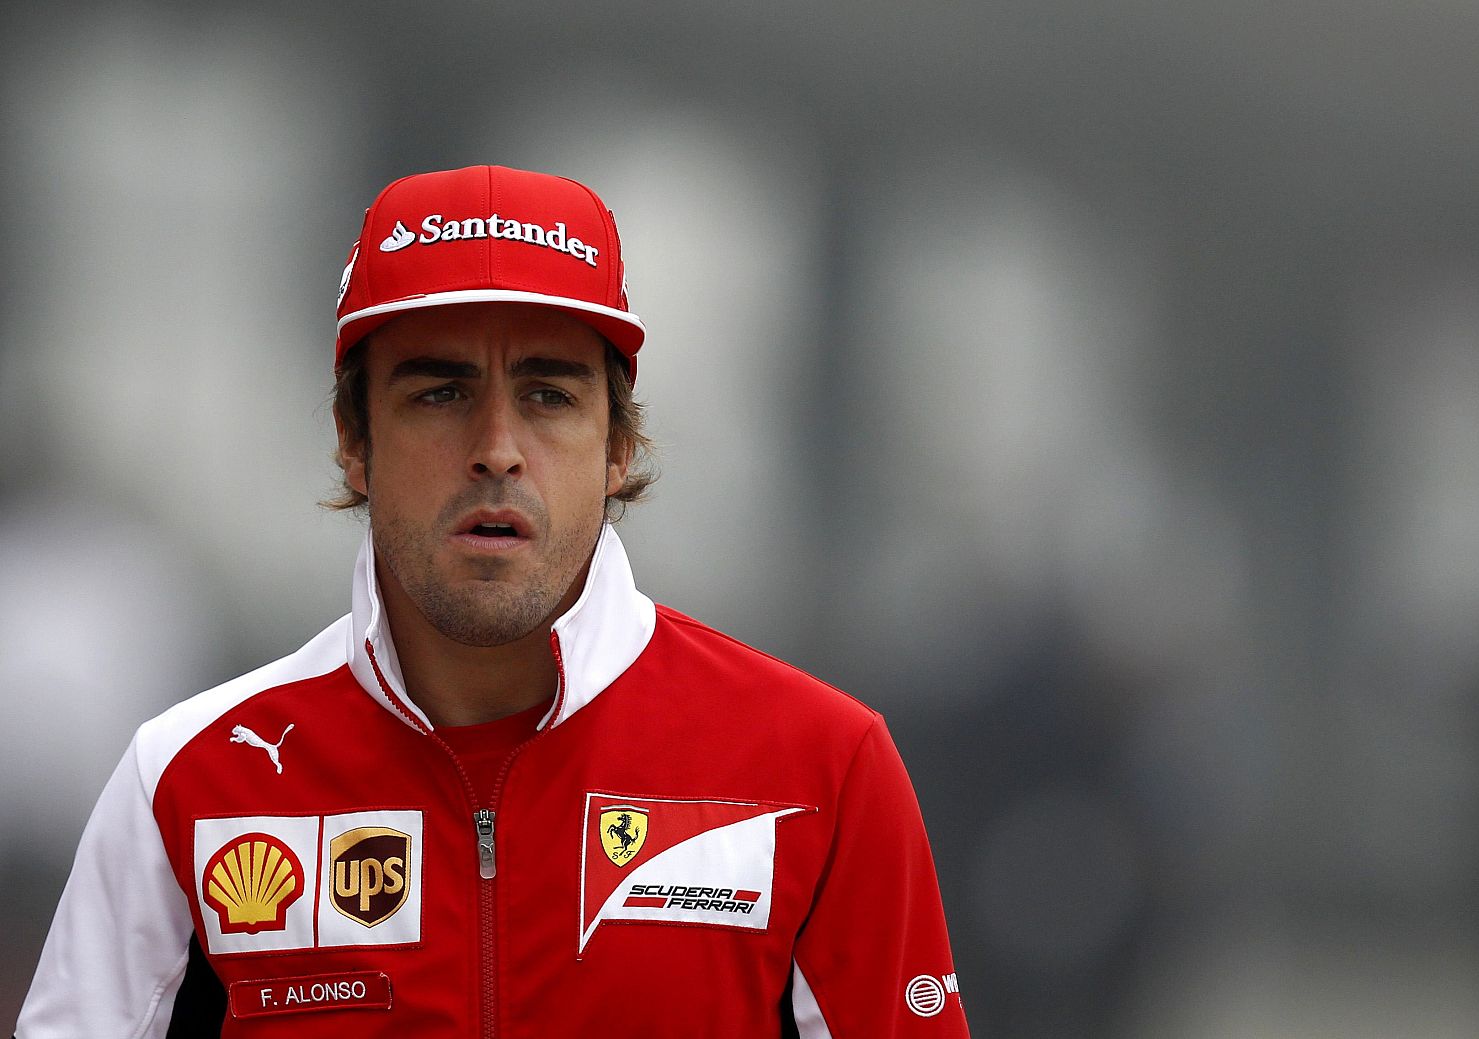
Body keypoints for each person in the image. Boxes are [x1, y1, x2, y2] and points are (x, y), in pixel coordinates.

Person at [15, 165, 968, 1038]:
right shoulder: (186, 781)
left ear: (618, 447)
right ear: (354, 436)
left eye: (549, 394)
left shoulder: (822, 771)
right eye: (440, 391)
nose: (498, 447)